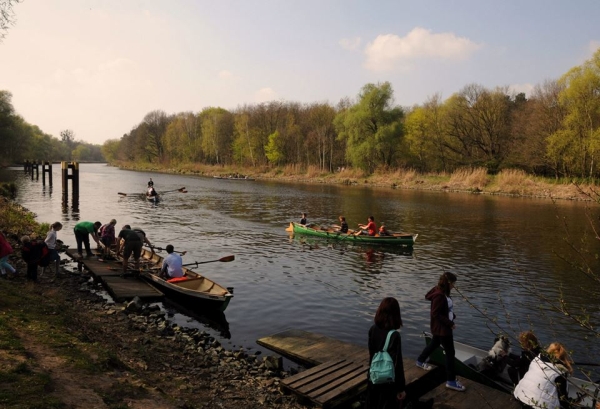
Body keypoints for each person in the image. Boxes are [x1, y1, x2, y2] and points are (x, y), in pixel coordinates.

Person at [415, 272, 466, 392]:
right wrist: (450, 323)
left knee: (434, 344)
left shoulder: (440, 292)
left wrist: (452, 315)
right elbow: (435, 313)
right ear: (448, 283)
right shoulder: (439, 295)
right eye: (453, 283)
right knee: (450, 353)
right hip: (443, 329)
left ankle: (420, 360)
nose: (454, 286)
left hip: (440, 328)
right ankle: (451, 381)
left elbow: (443, 309)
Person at [366, 297, 406, 409]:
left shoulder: (372, 329)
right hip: (388, 381)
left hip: (373, 377)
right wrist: (401, 388)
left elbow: (371, 355)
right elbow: (397, 364)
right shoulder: (394, 335)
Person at [514, 342, 573, 409]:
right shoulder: (560, 372)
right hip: (537, 405)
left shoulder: (537, 360)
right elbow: (563, 398)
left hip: (520, 395)